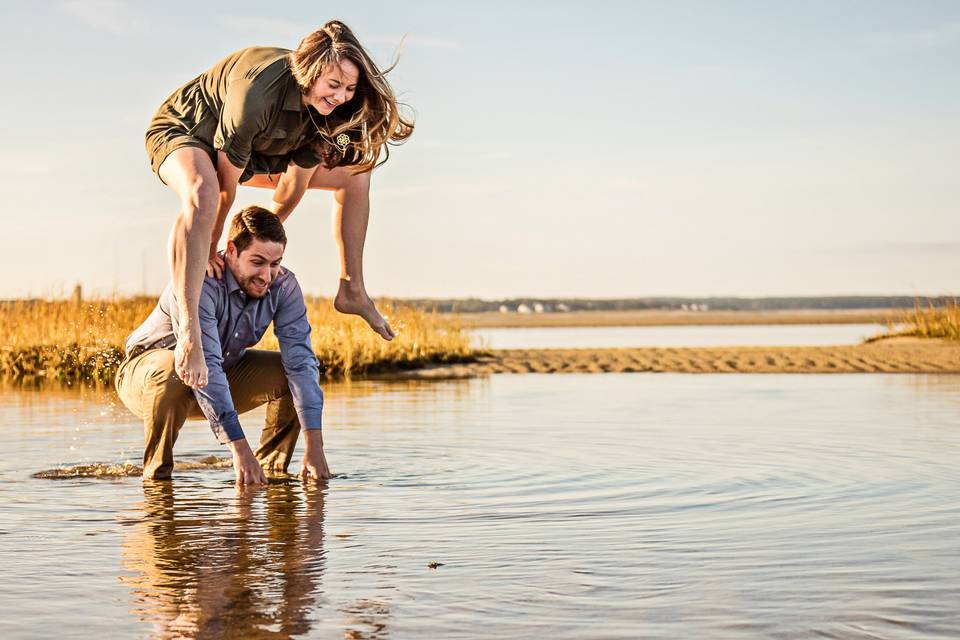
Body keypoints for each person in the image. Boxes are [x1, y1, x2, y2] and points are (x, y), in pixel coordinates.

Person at [146, 19, 414, 389]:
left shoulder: (329, 114)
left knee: (356, 174)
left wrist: (259, 240)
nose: (340, 96)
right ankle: (189, 330)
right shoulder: (256, 94)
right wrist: (214, 248)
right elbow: (226, 188)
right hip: (189, 132)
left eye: (350, 88)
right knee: (203, 191)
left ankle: (352, 288)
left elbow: (291, 188)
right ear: (310, 72)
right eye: (333, 85)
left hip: (259, 149)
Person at [116, 206, 330, 485]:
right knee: (172, 369)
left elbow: (301, 361)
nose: (267, 275)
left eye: (275, 263)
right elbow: (203, 362)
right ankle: (157, 481)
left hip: (218, 371)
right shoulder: (200, 282)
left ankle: (268, 477)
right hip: (148, 376)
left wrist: (315, 444)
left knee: (292, 373)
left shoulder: (284, 286)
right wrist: (239, 449)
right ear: (231, 251)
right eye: (257, 262)